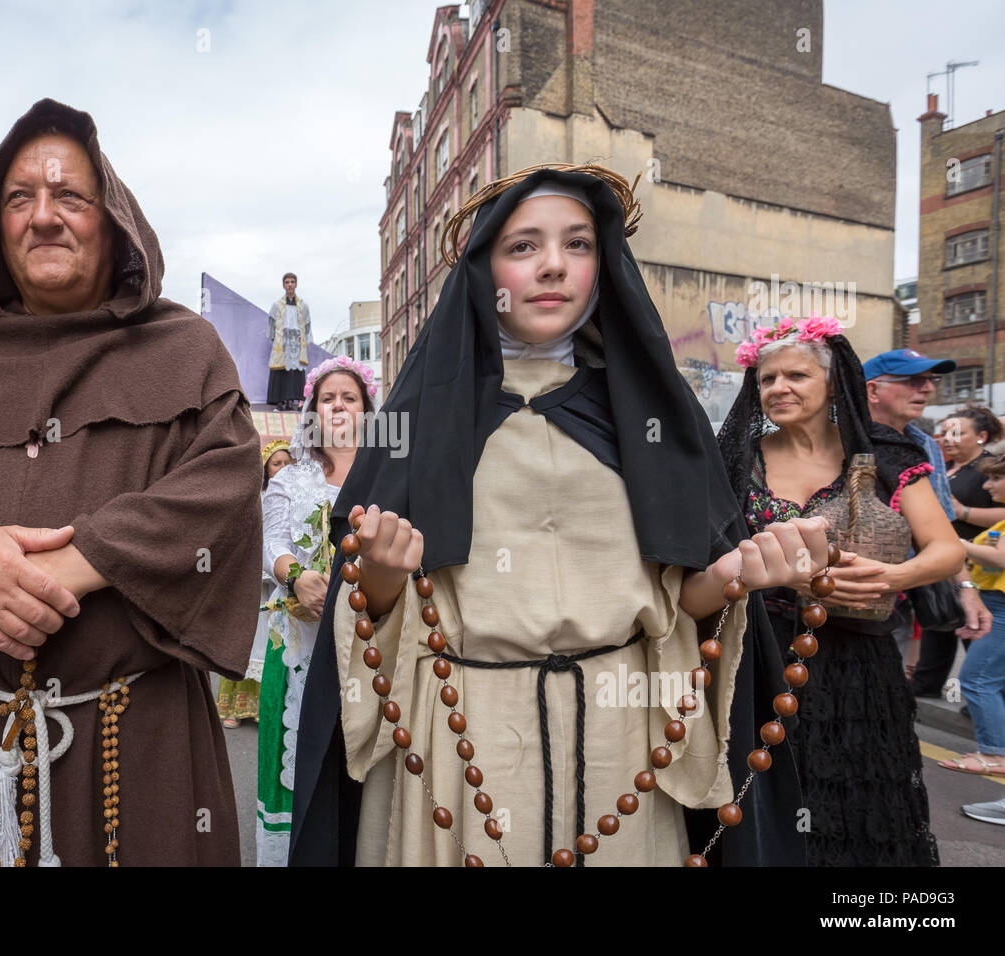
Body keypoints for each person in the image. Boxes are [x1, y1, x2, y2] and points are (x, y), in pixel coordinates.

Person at [292, 165, 823, 867]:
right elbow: (368, 614)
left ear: (603, 267)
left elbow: (675, 610)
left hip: (618, 751)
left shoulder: (653, 419)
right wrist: (383, 577)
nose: (552, 265)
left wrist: (733, 576)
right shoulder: (419, 423)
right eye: (523, 247)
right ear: (485, 270)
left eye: (577, 244)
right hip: (460, 746)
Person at [0, 99, 263, 866]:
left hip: (137, 742)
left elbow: (225, 486)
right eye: (19, 197)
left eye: (71, 196)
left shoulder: (185, 349)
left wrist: (74, 565)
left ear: (115, 220)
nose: (44, 216)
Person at [721, 318, 963, 865]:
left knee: (857, 787)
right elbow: (708, 557)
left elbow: (946, 551)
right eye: (767, 379)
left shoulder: (885, 457)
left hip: (860, 660)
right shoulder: (738, 461)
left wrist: (891, 577)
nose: (779, 388)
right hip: (759, 653)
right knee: (765, 788)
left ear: (834, 383)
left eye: (797, 376)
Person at [258, 358, 376, 865]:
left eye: (349, 397)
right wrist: (295, 577)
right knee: (310, 760)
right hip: (303, 645)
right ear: (312, 412)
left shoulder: (387, 474)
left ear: (368, 410)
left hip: (375, 644)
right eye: (328, 398)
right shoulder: (292, 479)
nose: (339, 406)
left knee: (364, 767)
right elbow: (271, 541)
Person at [863, 351, 992, 672]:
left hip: (896, 606)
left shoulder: (926, 447)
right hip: (824, 606)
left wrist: (966, 589)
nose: (927, 389)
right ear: (872, 390)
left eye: (930, 380)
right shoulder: (836, 440)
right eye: (913, 381)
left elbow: (941, 533)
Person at [910, 406, 1005, 697]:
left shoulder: (990, 468)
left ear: (981, 437)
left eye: (957, 433)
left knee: (974, 629)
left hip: (983, 568)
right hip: (946, 560)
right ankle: (926, 685)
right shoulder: (946, 467)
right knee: (938, 620)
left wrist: (961, 511)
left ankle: (982, 699)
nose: (948, 439)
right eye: (945, 433)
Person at [218, 440, 294, 729]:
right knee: (246, 642)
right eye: (277, 463)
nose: (284, 468)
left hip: (279, 584)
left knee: (273, 644)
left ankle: (267, 707)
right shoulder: (254, 497)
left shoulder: (295, 498)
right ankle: (234, 708)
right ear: (265, 470)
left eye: (288, 463)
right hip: (251, 581)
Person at [938, 454, 1005, 776]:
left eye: (995, 479)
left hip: (1002, 607)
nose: (988, 486)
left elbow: (1000, 558)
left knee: (977, 680)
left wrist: (954, 544)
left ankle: (995, 754)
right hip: (994, 605)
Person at [267, 272, 311, 411]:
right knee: (282, 372)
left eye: (292, 281)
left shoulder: (303, 305)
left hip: (297, 343)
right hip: (282, 342)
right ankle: (281, 402)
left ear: (296, 284)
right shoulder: (276, 305)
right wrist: (275, 339)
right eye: (287, 282)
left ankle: (299, 401)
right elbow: (271, 323)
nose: (290, 284)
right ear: (283, 285)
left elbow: (307, 325)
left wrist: (304, 339)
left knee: (296, 373)